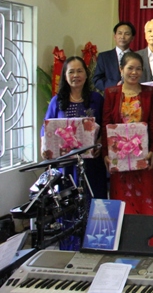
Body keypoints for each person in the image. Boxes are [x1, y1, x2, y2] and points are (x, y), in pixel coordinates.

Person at [42, 57, 106, 250]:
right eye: (71, 72)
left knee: (93, 202)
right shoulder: (57, 101)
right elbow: (46, 128)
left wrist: (99, 144)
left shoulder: (96, 99)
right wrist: (44, 147)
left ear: (86, 75)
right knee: (68, 204)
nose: (76, 76)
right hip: (66, 166)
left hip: (91, 164)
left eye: (80, 71)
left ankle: (95, 245)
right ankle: (70, 246)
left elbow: (105, 126)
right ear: (65, 75)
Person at [102, 52, 153, 217]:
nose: (134, 72)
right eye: (130, 68)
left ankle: (149, 238)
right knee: (122, 199)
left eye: (138, 69)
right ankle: (124, 238)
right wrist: (106, 154)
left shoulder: (150, 92)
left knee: (146, 197)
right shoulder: (111, 93)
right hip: (118, 156)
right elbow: (106, 124)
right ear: (121, 69)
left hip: (143, 155)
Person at [93, 21, 135, 91]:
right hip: (111, 97)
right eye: (119, 33)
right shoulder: (104, 57)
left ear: (132, 38)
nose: (122, 37)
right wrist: (115, 85)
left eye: (127, 34)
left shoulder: (137, 57)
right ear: (115, 36)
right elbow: (97, 80)